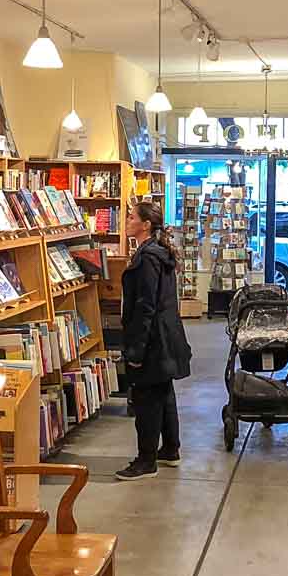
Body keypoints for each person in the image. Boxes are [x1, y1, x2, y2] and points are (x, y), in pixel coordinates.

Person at [115, 201, 193, 481]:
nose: (126, 220)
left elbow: (145, 305)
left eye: (132, 217)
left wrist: (136, 349)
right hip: (166, 336)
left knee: (147, 398)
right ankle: (170, 449)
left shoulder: (148, 258)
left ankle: (146, 460)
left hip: (153, 340)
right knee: (163, 392)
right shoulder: (158, 253)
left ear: (145, 225)